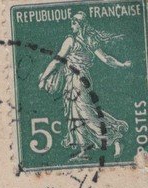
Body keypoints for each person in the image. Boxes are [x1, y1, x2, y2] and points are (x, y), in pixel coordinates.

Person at [38, 12, 131, 160]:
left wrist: (44, 77)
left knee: (86, 114)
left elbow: (57, 61)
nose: (72, 26)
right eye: (72, 23)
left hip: (77, 80)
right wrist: (122, 65)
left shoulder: (71, 40)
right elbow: (106, 59)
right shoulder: (89, 40)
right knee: (78, 114)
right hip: (80, 79)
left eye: (74, 23)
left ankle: (114, 138)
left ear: (81, 24)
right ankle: (84, 151)